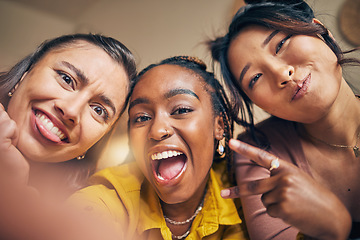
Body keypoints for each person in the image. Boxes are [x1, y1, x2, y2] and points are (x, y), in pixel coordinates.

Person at [208, 1, 360, 239]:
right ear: (257, 103)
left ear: (321, 32)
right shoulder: (260, 151)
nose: (281, 74)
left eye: (280, 44)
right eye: (255, 77)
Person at [69, 56, 248, 240]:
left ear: (219, 126)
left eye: (181, 110)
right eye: (142, 118)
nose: (157, 130)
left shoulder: (247, 198)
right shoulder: (102, 203)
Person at [0, 33, 136, 198]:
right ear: (25, 74)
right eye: (66, 79)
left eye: (98, 110)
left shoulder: (82, 212)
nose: (71, 111)